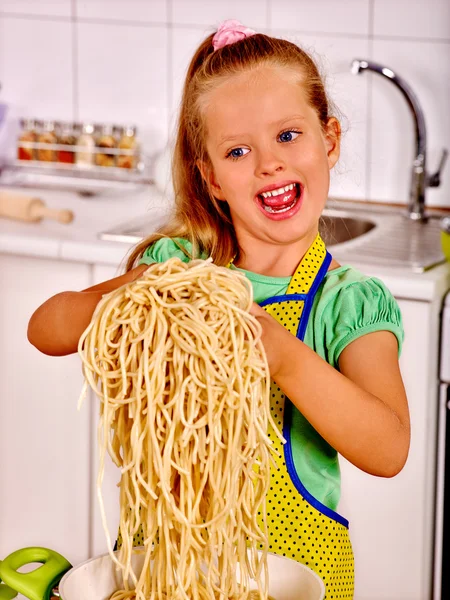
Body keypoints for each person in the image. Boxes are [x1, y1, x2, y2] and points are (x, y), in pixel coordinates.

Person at [27, 20, 410, 598]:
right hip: (165, 569)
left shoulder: (347, 302)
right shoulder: (177, 267)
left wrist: (283, 357)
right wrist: (141, 289)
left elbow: (389, 448)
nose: (269, 164)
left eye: (288, 136)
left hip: (297, 578)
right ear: (211, 177)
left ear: (329, 140)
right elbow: (45, 329)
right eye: (238, 150)